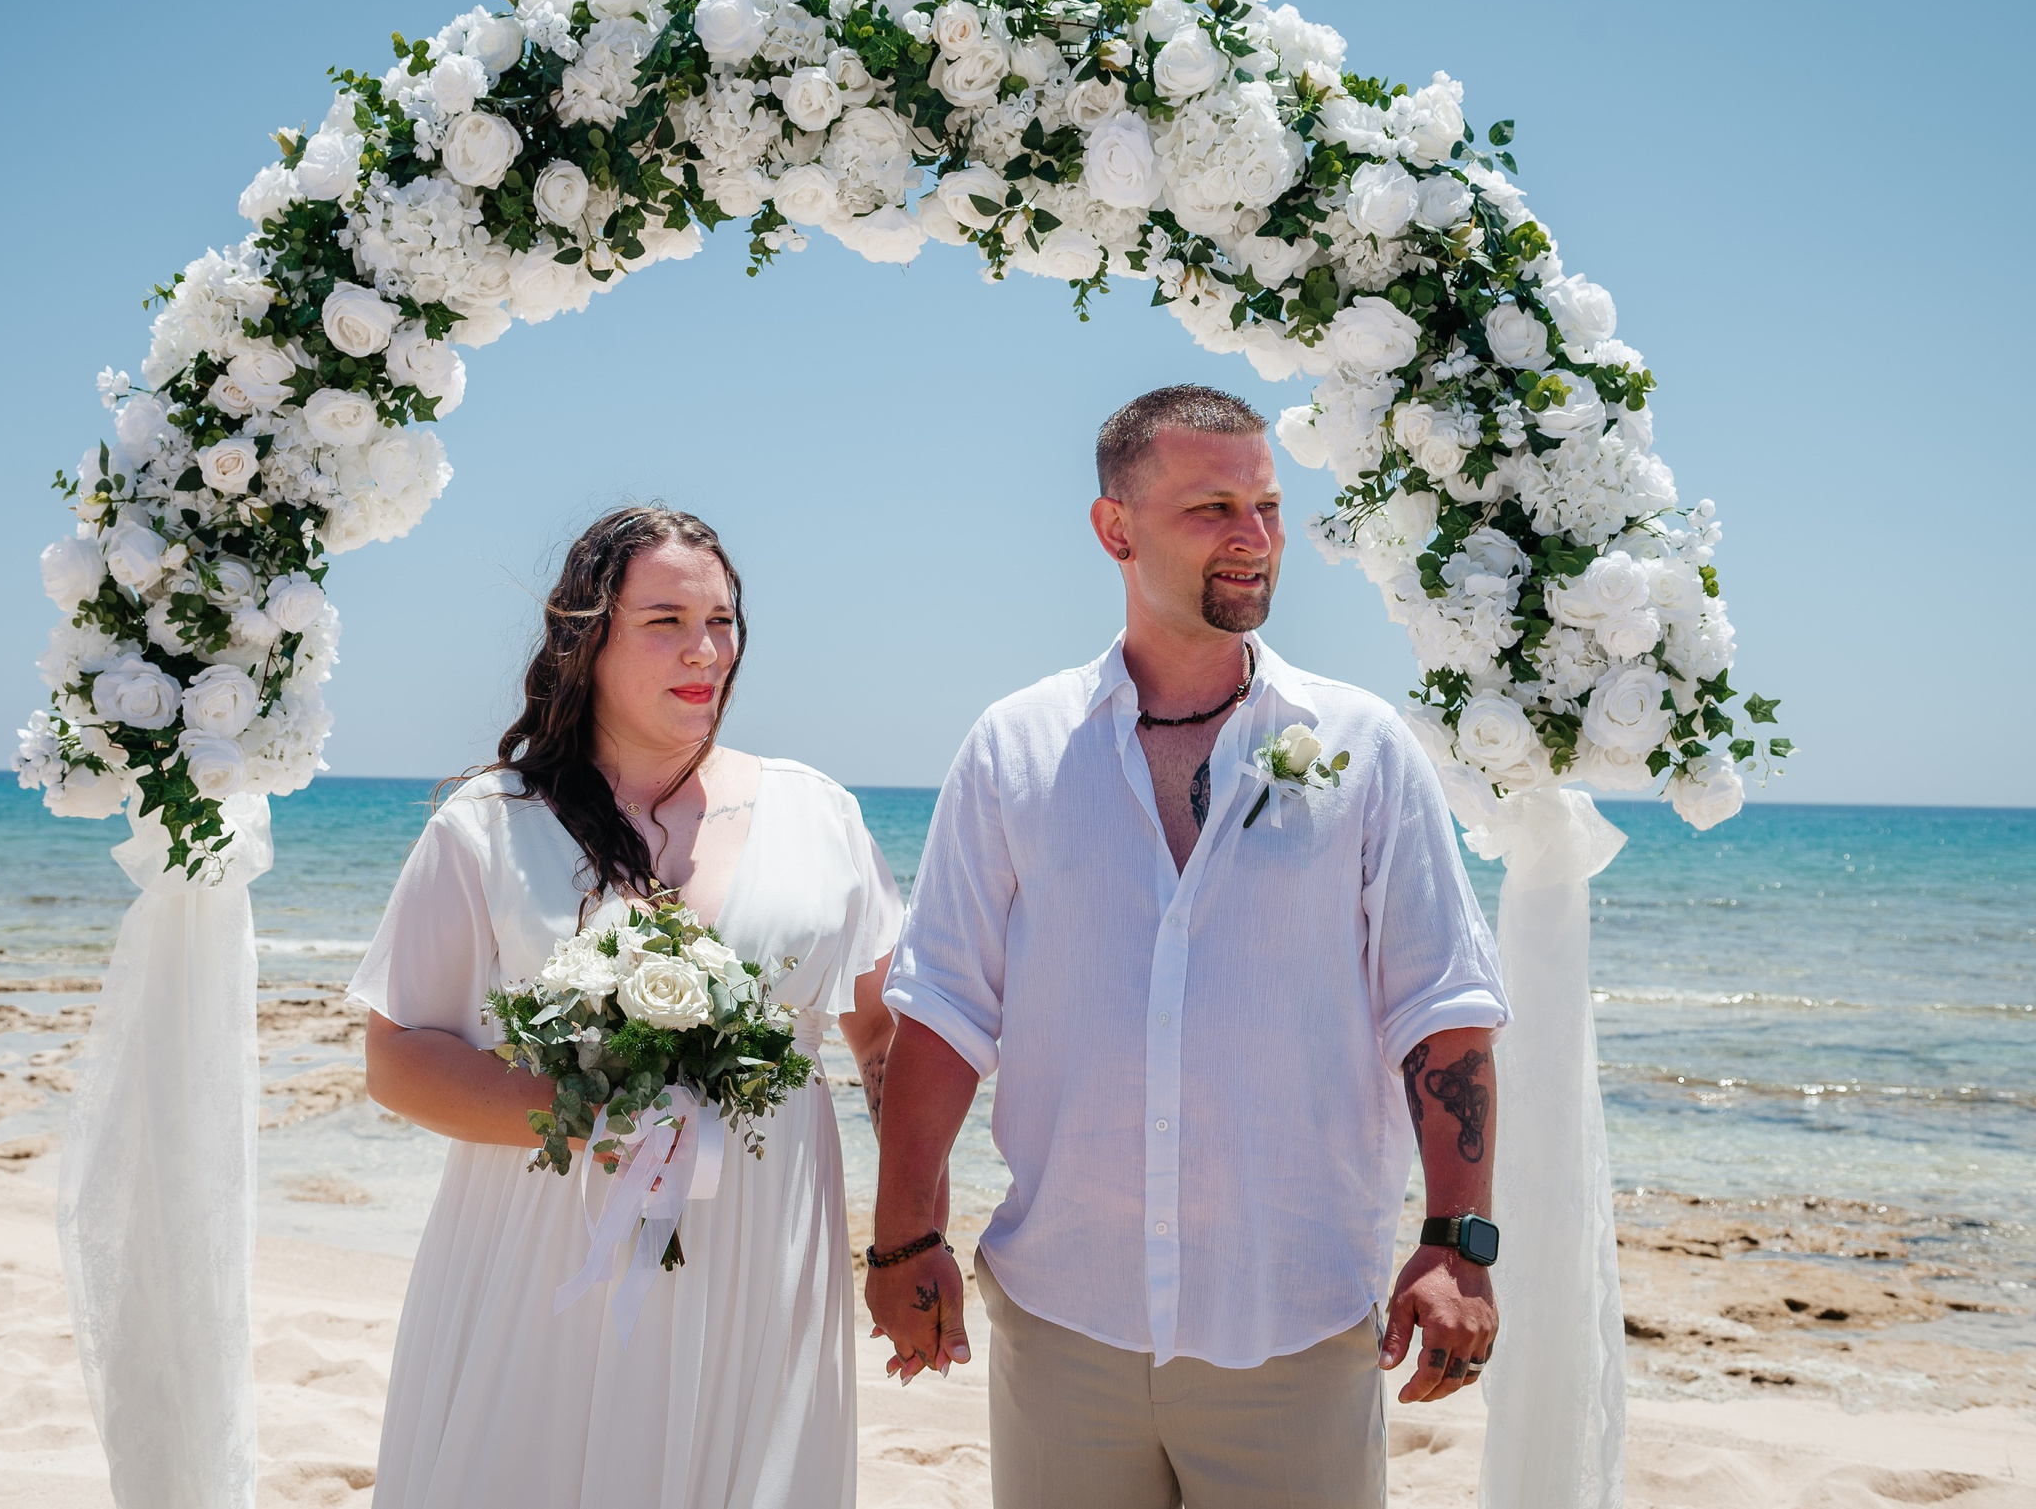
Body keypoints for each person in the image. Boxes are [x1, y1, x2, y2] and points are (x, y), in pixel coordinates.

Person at [866, 386, 1508, 1508]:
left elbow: (1439, 1003)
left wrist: (1458, 1239)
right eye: (1212, 507)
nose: (1254, 538)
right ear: (1115, 528)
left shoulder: (1365, 746)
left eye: (1265, 504)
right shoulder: (1012, 745)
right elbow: (945, 1008)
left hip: (1294, 1318)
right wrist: (900, 1236)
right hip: (1062, 1312)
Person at [350, 505, 901, 1509]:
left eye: (723, 620)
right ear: (586, 639)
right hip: (545, 1243)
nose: (706, 650)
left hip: (762, 1251)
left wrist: (909, 1232)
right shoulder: (490, 823)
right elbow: (398, 1056)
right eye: (665, 620)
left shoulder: (818, 814)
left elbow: (883, 1039)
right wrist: (604, 1123)